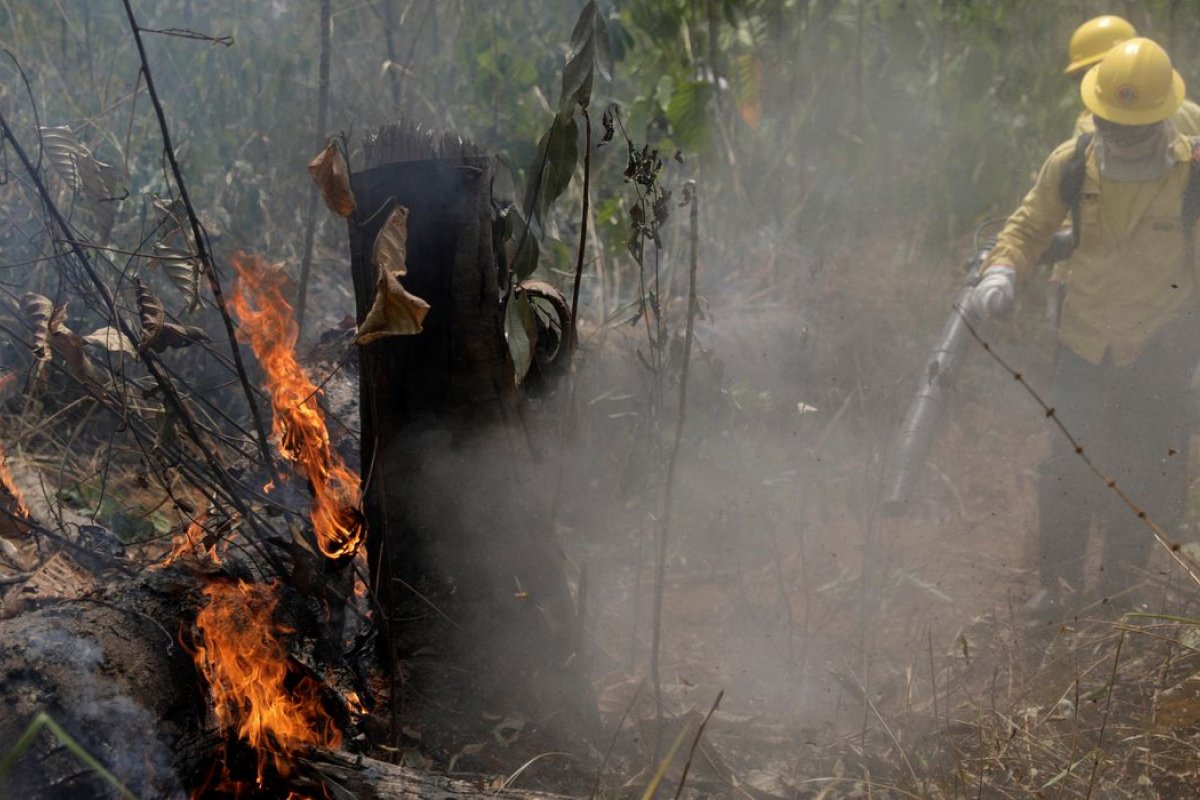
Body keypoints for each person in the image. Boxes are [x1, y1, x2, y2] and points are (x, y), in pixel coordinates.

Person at [964, 38, 1200, 615]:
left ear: (1161, 118)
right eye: (1110, 123)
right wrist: (1001, 273)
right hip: (1084, 339)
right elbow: (1027, 227)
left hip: (1158, 345)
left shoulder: (1192, 173)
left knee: (1143, 470)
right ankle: (1057, 588)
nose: (1118, 135)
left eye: (1131, 125)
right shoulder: (1072, 161)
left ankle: (1120, 595)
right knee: (1066, 465)